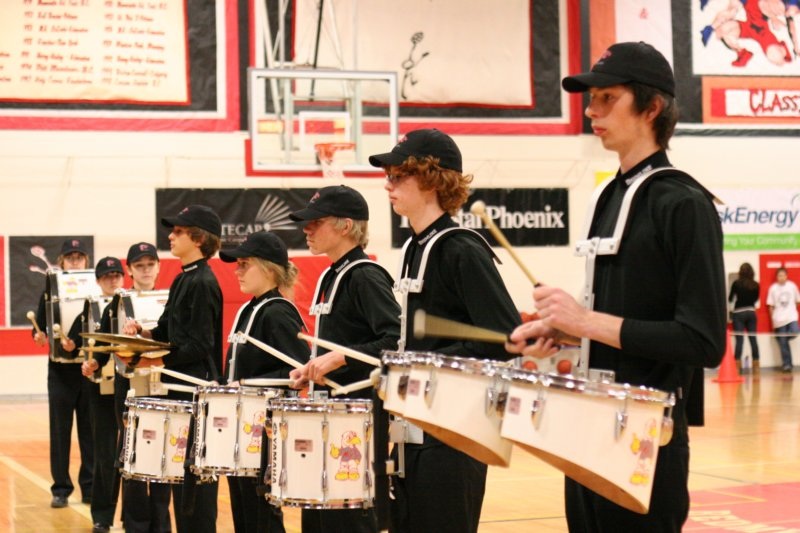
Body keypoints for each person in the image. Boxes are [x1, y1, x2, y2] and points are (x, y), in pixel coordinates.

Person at [506, 42, 727, 532]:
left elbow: (703, 341)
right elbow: (628, 319)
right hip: (588, 428)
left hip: (646, 436)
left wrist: (586, 321)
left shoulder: (685, 204)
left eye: (608, 98)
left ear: (651, 108)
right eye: (592, 99)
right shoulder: (609, 196)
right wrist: (565, 331)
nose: (591, 111)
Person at [369, 128, 522, 533]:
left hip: (455, 434)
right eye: (388, 176)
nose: (388, 184)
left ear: (432, 180)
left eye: (398, 175)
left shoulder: (462, 249)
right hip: (414, 430)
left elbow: (506, 338)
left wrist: (423, 363)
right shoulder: (413, 247)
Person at [287, 185, 401, 533]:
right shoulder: (331, 273)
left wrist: (339, 359)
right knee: (318, 520)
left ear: (346, 226)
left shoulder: (365, 275)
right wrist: (311, 367)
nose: (306, 230)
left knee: (349, 522)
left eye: (316, 222)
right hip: (329, 414)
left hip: (357, 419)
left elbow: (396, 340)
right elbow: (341, 341)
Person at [123, 205, 223, 533]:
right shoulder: (183, 278)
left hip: (196, 391)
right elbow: (166, 330)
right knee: (181, 479)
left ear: (198, 239)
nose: (171, 236)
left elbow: (201, 345)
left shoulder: (203, 281)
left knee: (196, 486)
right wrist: (141, 333)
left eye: (178, 231)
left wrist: (157, 361)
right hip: (177, 389)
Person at [218, 231, 311, 533]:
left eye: (245, 264)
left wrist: (247, 384)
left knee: (262, 516)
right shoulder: (251, 308)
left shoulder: (278, 312)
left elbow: (300, 371)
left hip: (265, 432)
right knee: (244, 512)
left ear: (269, 269)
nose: (237, 271)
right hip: (244, 430)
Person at [84, 242, 173, 533]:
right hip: (129, 388)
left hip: (163, 386)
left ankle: (160, 523)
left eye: (150, 264)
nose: (146, 270)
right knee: (132, 455)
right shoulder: (118, 303)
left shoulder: (170, 300)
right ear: (131, 270)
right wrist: (95, 362)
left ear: (158, 266)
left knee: (163, 456)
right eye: (139, 265)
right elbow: (105, 339)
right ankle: (135, 524)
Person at [32, 238, 95, 509]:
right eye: (71, 258)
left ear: (86, 261)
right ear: (62, 261)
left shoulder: (95, 289)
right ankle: (60, 488)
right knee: (60, 432)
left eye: (79, 257)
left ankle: (90, 487)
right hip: (59, 371)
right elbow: (39, 326)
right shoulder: (50, 292)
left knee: (90, 432)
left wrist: (78, 344)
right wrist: (38, 335)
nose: (75, 262)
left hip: (88, 369)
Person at [65, 257, 125, 533]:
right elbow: (76, 343)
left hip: (130, 387)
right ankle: (102, 515)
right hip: (100, 389)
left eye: (117, 274)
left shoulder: (130, 305)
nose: (113, 279)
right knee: (105, 454)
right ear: (98, 280)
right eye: (107, 276)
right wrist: (87, 360)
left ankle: (132, 516)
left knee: (132, 455)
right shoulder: (91, 308)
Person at [766, 266, 800, 373]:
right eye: (779, 275)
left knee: (795, 331)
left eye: (783, 275)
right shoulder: (773, 288)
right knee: (783, 344)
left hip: (791, 317)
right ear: (777, 277)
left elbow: (797, 301)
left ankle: (781, 339)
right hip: (779, 320)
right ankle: (787, 365)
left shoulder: (792, 286)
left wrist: (792, 310)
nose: (781, 277)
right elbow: (770, 306)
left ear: (786, 276)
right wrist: (773, 320)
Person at [728, 262, 761, 373]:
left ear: (740, 272)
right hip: (751, 312)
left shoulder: (736, 283)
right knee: (753, 339)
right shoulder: (756, 285)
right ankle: (756, 366)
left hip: (739, 313)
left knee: (739, 340)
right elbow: (756, 299)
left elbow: (730, 299)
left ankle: (737, 367)